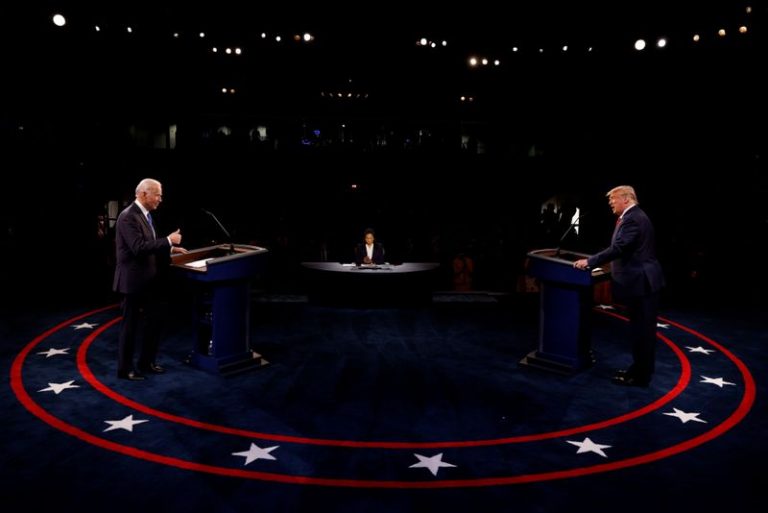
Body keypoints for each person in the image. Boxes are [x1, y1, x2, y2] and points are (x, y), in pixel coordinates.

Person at [573, 185, 664, 387]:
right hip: (642, 281)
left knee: (642, 331)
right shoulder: (634, 216)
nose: (610, 204)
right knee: (640, 330)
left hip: (642, 283)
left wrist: (590, 262)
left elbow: (619, 247)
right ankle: (638, 370)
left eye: (613, 200)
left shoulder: (633, 218)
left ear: (625, 198)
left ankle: (640, 376)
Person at [113, 178, 187, 381]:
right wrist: (168, 240)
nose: (160, 199)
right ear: (144, 194)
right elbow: (138, 248)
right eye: (157, 194)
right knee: (130, 327)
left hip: (149, 281)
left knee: (155, 321)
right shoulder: (128, 216)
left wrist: (170, 248)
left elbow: (149, 244)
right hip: (133, 282)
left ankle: (146, 362)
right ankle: (125, 369)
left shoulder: (145, 216)